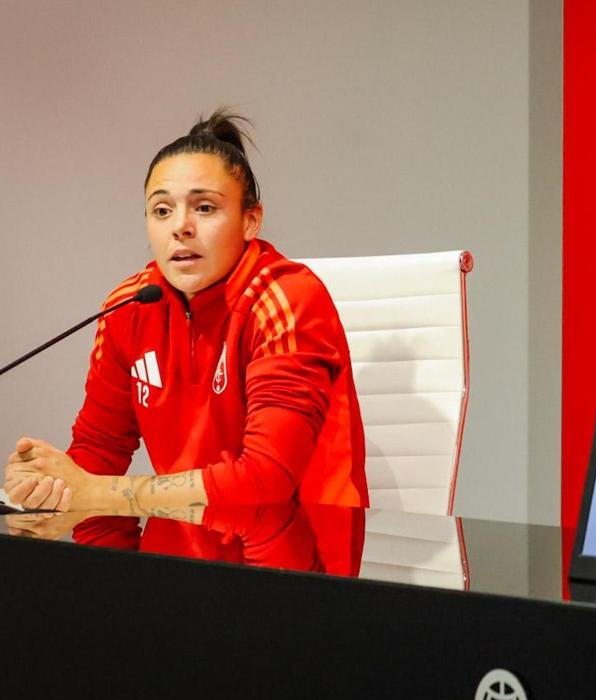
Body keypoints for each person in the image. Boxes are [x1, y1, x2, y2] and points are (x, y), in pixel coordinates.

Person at [4, 110, 367, 555]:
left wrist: (91, 493)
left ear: (251, 221)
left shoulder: (288, 299)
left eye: (205, 207)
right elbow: (98, 453)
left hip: (294, 583)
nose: (180, 226)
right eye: (161, 210)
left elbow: (265, 482)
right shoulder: (128, 307)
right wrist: (47, 489)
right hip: (173, 580)